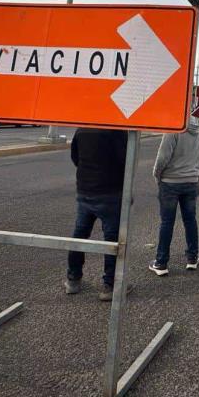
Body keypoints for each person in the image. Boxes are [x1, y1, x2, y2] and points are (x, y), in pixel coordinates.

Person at [66, 128, 128, 300]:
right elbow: (125, 161)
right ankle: (110, 285)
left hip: (85, 190)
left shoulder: (82, 129)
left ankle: (73, 279)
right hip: (110, 192)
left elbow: (75, 157)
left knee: (79, 235)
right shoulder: (117, 130)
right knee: (112, 240)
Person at [150, 116, 199, 276]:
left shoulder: (173, 127)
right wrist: (195, 171)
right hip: (191, 180)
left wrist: (157, 175)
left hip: (170, 182)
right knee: (190, 220)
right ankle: (192, 258)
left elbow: (162, 157)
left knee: (167, 222)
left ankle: (161, 263)